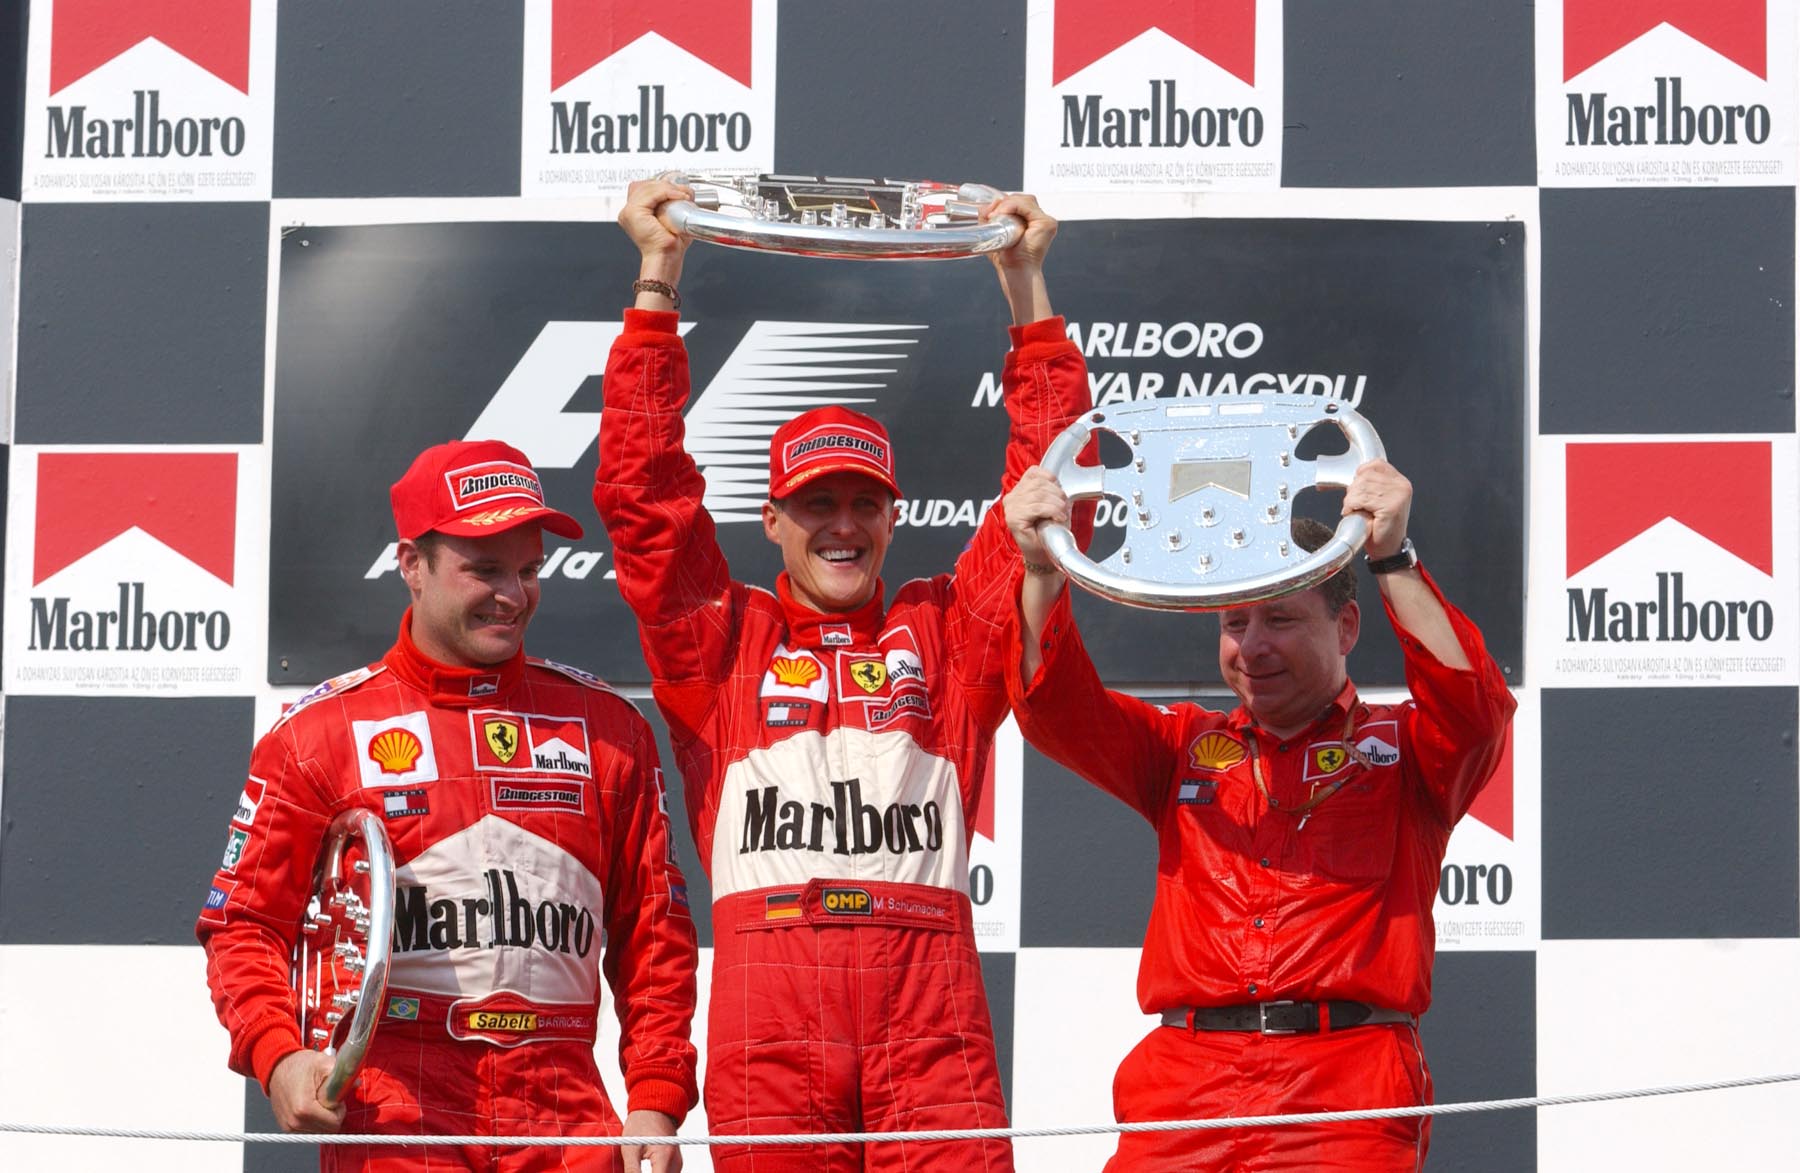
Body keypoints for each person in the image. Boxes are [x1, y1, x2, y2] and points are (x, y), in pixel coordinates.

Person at [594, 179, 1091, 1171]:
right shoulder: (721, 641)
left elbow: (1049, 489)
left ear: (894, 518)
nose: (843, 525)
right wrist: (657, 276)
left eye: (865, 503)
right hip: (770, 1011)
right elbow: (644, 498)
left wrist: (1026, 288)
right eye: (817, 504)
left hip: (929, 1009)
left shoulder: (946, 633)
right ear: (772, 520)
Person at [198, 439, 699, 1173]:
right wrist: (279, 1056)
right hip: (396, 1111)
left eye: (529, 571)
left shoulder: (609, 729)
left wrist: (655, 1094)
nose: (513, 594)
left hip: (566, 1113)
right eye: (485, 569)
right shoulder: (319, 735)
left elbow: (654, 932)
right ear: (412, 564)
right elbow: (242, 925)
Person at [1002, 461, 1516, 1171]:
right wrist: (1040, 568)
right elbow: (1051, 706)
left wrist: (1391, 557)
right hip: (1184, 1088)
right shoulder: (1180, 746)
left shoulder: (1407, 751)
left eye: (1280, 618)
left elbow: (1476, 711)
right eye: (1235, 621)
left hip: (1344, 1092)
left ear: (1346, 626)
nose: (1251, 646)